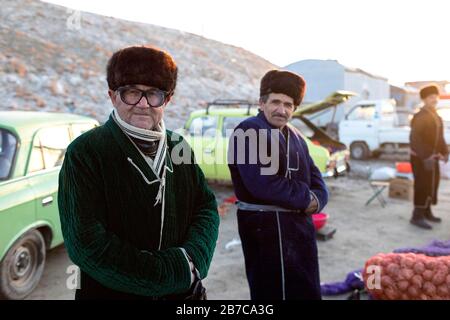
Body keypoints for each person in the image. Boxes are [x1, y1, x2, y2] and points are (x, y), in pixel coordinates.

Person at [58, 45, 219, 299]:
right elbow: (86, 244)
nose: (143, 104)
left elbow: (206, 206)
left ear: (167, 99)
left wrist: (193, 260)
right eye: (132, 92)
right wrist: (167, 274)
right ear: (113, 96)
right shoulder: (85, 152)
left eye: (154, 94)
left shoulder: (178, 146)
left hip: (183, 293)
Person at [228, 70, 328, 300]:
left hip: (300, 228)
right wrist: (307, 199)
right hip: (266, 229)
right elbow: (262, 184)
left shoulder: (296, 136)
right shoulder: (249, 130)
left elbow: (315, 176)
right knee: (272, 292)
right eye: (275, 102)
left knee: (304, 287)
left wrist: (319, 199)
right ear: (262, 103)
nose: (281, 110)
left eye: (288, 104)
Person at [410, 84, 448, 229]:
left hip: (433, 158)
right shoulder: (420, 116)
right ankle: (416, 216)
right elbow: (415, 139)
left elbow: (440, 138)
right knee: (422, 185)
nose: (434, 100)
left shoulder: (436, 116)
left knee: (433, 185)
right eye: (430, 97)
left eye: (435, 97)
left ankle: (427, 212)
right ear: (424, 99)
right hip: (421, 158)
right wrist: (427, 155)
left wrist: (445, 152)